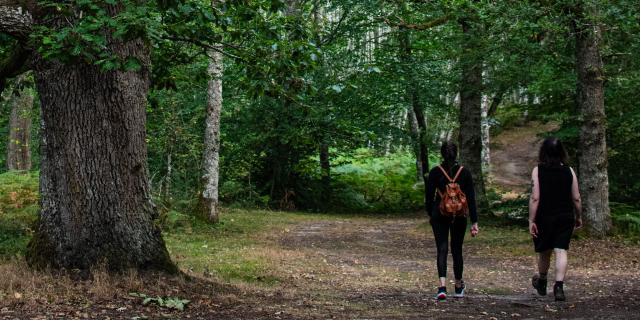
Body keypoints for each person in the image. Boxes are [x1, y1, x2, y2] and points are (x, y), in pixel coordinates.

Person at [529, 137, 582, 301]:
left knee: (545, 251)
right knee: (561, 250)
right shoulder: (569, 171)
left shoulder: (538, 170)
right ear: (561, 152)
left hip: (544, 216)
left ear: (543, 152)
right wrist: (578, 216)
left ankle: (542, 281)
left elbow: (535, 197)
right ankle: (559, 287)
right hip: (565, 215)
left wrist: (531, 220)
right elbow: (577, 198)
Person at [425, 141, 479, 300]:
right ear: (456, 154)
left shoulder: (435, 172)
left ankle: (442, 287)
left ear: (442, 154)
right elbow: (471, 199)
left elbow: (428, 197)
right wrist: (474, 221)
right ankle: (458, 285)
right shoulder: (465, 172)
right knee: (457, 249)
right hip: (459, 216)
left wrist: (431, 214)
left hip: (439, 215)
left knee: (441, 249)